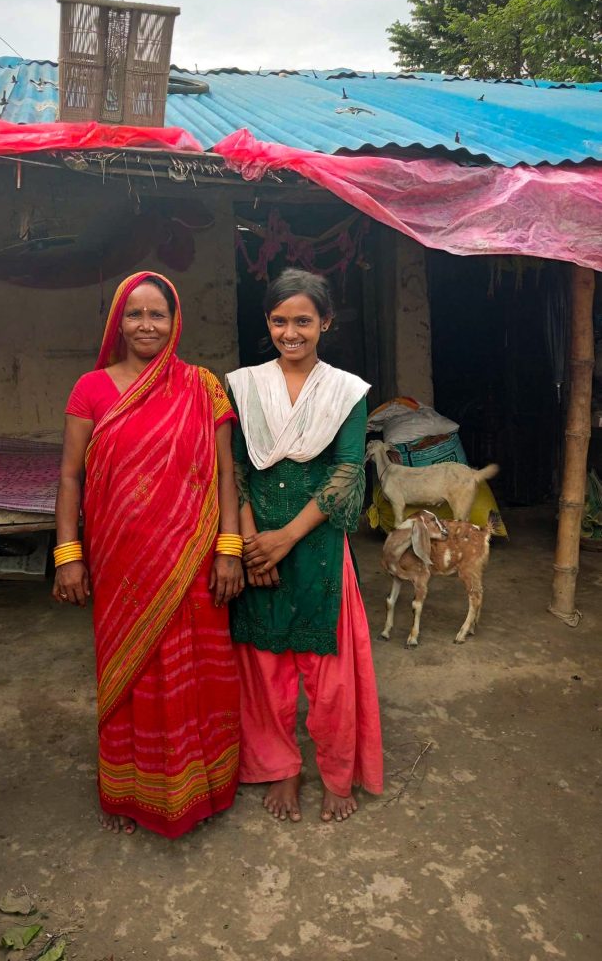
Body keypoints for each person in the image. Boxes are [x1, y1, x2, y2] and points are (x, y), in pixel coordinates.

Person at [53, 271, 244, 838]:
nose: (145, 324)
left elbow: (224, 474)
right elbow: (69, 477)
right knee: (131, 675)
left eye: (156, 313)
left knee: (197, 676)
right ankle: (132, 792)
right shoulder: (90, 388)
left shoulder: (202, 386)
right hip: (121, 566)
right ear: (118, 321)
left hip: (192, 561)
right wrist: (68, 554)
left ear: (174, 319)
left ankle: (202, 788)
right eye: (133, 314)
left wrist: (228, 549)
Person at [226, 268, 383, 823]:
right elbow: (237, 468)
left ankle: (337, 776)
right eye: (279, 321)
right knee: (265, 669)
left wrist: (285, 539)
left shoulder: (346, 391)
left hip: (315, 545)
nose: (290, 332)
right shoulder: (242, 385)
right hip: (256, 540)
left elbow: (344, 473)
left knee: (329, 675)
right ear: (267, 322)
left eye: (303, 321)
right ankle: (282, 769)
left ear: (325, 323)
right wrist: (251, 544)